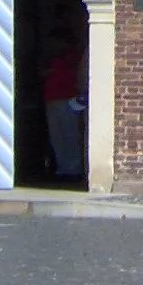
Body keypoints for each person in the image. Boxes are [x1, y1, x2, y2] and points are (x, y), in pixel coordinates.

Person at [41, 21, 88, 183]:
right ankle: (63, 168)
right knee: (57, 136)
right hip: (52, 98)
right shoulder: (54, 58)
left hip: (68, 98)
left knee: (69, 134)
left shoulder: (71, 57)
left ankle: (73, 169)